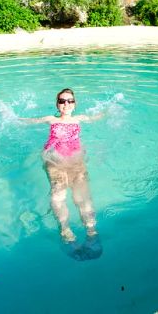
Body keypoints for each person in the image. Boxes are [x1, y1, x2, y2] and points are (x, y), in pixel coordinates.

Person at [20, 88, 104, 243]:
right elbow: (31, 121)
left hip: (76, 161)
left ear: (75, 103)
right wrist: (12, 117)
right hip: (55, 161)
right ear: (57, 104)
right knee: (58, 195)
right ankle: (65, 229)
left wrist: (110, 111)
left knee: (82, 197)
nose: (66, 104)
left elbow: (96, 117)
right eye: (62, 101)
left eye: (70, 100)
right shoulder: (51, 119)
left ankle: (91, 230)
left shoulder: (79, 118)